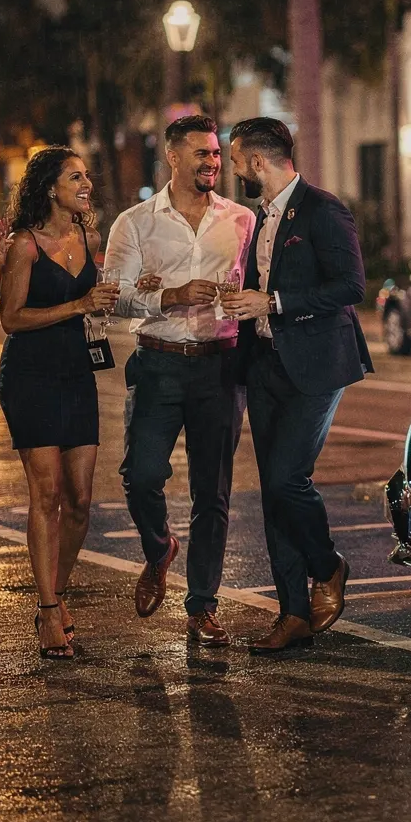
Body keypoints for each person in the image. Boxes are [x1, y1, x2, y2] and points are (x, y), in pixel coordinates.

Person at [221, 117, 374, 653]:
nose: (233, 170)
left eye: (236, 161)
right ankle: (291, 613)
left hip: (316, 364)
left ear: (258, 161)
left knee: (288, 479)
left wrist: (275, 303)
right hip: (263, 362)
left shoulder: (323, 209)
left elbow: (351, 285)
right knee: (271, 489)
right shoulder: (258, 217)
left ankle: (327, 567)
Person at [107, 115, 256, 645]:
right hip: (159, 360)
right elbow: (114, 295)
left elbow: (255, 282)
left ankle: (202, 607)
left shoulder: (242, 219)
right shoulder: (135, 222)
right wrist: (168, 295)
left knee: (211, 492)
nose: (212, 162)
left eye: (216, 154)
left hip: (220, 364)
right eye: (201, 153)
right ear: (173, 156)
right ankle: (158, 548)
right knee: (142, 475)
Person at [0, 147, 118, 661]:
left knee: (82, 499)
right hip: (30, 375)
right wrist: (77, 305)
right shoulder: (25, 246)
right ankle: (47, 611)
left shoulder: (89, 238)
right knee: (45, 495)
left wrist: (114, 297)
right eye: (75, 176)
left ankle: (58, 591)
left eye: (88, 174)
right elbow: (11, 319)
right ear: (50, 187)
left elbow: (96, 299)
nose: (86, 182)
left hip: (76, 374)